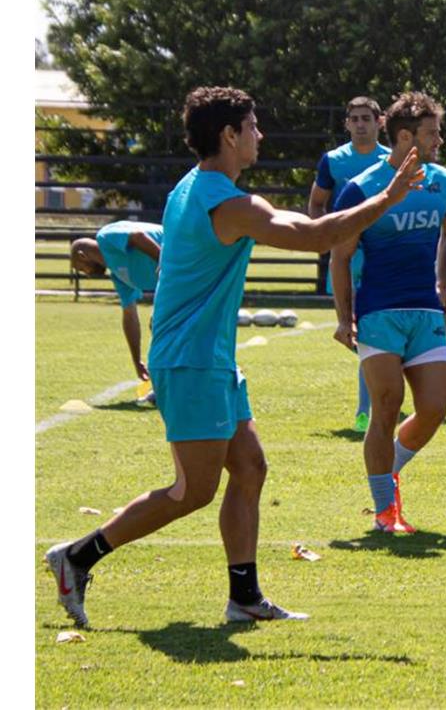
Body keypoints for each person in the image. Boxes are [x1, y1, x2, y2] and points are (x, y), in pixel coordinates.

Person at [44, 86, 425, 626]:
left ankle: (243, 597)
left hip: (210, 358)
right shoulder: (227, 203)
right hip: (191, 360)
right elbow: (318, 236)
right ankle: (77, 557)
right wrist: (387, 199)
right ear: (229, 135)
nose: (260, 135)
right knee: (191, 490)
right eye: (252, 126)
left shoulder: (194, 186)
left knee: (249, 468)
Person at [331, 92, 446, 534]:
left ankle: (388, 469)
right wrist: (342, 316)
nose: (439, 140)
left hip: (425, 311)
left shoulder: (444, 181)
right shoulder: (362, 188)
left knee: (433, 409)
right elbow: (340, 254)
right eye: (432, 133)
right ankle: (386, 511)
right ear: (406, 137)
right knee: (387, 404)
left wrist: (444, 279)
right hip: (378, 311)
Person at [307, 96, 391, 432]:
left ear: (379, 122)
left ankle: (365, 408)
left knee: (372, 329)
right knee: (359, 332)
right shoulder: (334, 160)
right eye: (354, 118)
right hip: (348, 256)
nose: (360, 124)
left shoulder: (393, 160)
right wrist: (324, 238)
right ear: (347, 124)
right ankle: (377, 394)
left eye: (366, 118)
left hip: (385, 254)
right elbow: (317, 203)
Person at [69, 221, 164, 400]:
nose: (87, 274)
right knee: (160, 324)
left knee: (160, 324)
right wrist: (136, 361)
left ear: (82, 255)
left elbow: (137, 236)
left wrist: (164, 264)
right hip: (175, 277)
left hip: (185, 254)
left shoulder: (105, 237)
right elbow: (129, 315)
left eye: (82, 269)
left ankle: (167, 390)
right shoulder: (118, 274)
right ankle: (164, 389)